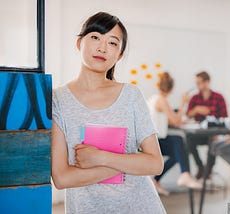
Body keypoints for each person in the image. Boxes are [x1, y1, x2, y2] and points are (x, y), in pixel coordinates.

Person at [51, 12, 166, 214]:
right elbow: (62, 178)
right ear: (79, 43)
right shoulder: (57, 100)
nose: (102, 48)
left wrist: (101, 157)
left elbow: (155, 164)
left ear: (119, 55)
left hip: (141, 207)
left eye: (113, 43)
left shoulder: (131, 95)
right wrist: (128, 164)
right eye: (95, 37)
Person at [147, 72, 202, 196]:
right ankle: (185, 174)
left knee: (179, 152)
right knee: (178, 140)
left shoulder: (153, 99)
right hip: (154, 142)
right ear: (171, 88)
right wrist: (183, 102)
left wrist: (180, 121)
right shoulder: (162, 100)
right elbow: (176, 122)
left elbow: (167, 121)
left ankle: (155, 180)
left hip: (151, 140)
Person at [186, 71, 228, 179]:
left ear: (207, 82)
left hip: (214, 134)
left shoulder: (218, 97)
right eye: (196, 83)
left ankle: (208, 170)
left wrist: (217, 132)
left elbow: (224, 117)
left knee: (213, 142)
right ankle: (200, 167)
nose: (197, 85)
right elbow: (188, 115)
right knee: (188, 139)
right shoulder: (195, 98)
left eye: (199, 82)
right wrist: (196, 110)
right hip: (199, 134)